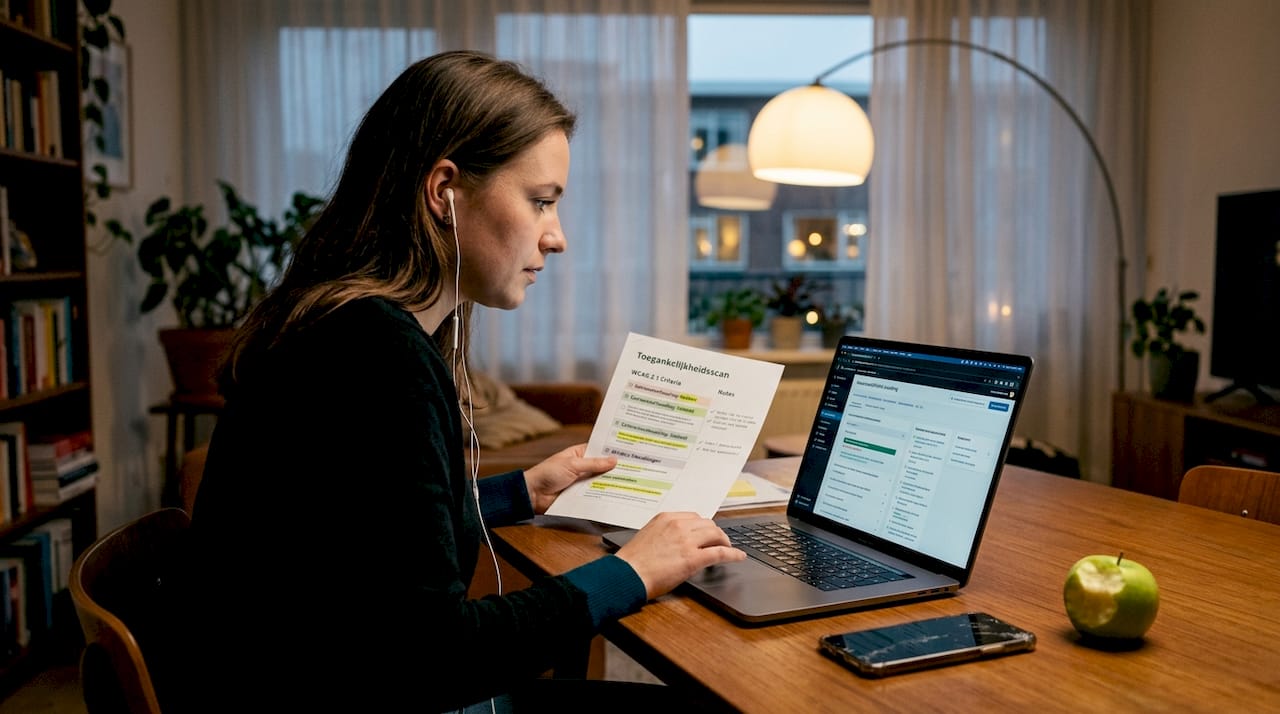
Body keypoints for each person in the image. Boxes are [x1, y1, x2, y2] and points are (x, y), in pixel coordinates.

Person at [175, 50, 746, 713]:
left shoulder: (341, 327)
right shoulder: (373, 358)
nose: (556, 237)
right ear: (444, 191)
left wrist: (517, 492)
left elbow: (368, 532)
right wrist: (633, 570)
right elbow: (434, 656)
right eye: (540, 202)